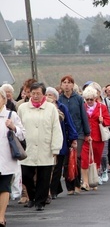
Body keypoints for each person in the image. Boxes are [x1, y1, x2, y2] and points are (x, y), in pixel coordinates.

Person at [18, 82, 63, 211]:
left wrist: (55, 147)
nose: (36, 96)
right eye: (33, 93)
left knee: (44, 177)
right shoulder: (23, 108)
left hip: (45, 147)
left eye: (38, 93)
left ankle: (40, 202)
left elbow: (56, 128)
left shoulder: (51, 108)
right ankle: (32, 196)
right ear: (29, 94)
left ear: (43, 94)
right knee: (26, 175)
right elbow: (19, 127)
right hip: (28, 147)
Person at [59, 75, 91, 195]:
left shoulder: (78, 98)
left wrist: (87, 133)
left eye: (69, 82)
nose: (66, 84)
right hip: (64, 133)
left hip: (78, 133)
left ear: (73, 85)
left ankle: (77, 184)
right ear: (61, 85)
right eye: (64, 82)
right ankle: (70, 187)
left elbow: (83, 116)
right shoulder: (60, 99)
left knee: (76, 158)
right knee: (67, 161)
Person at [45, 87, 78, 201]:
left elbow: (69, 122)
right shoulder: (42, 108)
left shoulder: (62, 107)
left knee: (58, 168)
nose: (48, 97)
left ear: (55, 97)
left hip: (60, 141)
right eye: (46, 94)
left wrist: (73, 138)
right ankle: (52, 189)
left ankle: (53, 191)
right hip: (46, 142)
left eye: (51, 95)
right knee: (49, 168)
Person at [0, 88, 25, 226]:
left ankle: (1, 216)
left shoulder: (11, 115)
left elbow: (22, 134)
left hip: (6, 159)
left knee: (4, 187)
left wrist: (13, 127)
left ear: (4, 99)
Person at [80, 87, 110, 190]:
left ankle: (94, 179)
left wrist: (103, 121)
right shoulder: (82, 107)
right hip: (86, 138)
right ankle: (85, 181)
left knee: (96, 159)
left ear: (95, 98)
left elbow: (109, 121)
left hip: (98, 137)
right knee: (85, 159)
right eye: (87, 99)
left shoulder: (101, 107)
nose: (89, 101)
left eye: (91, 99)